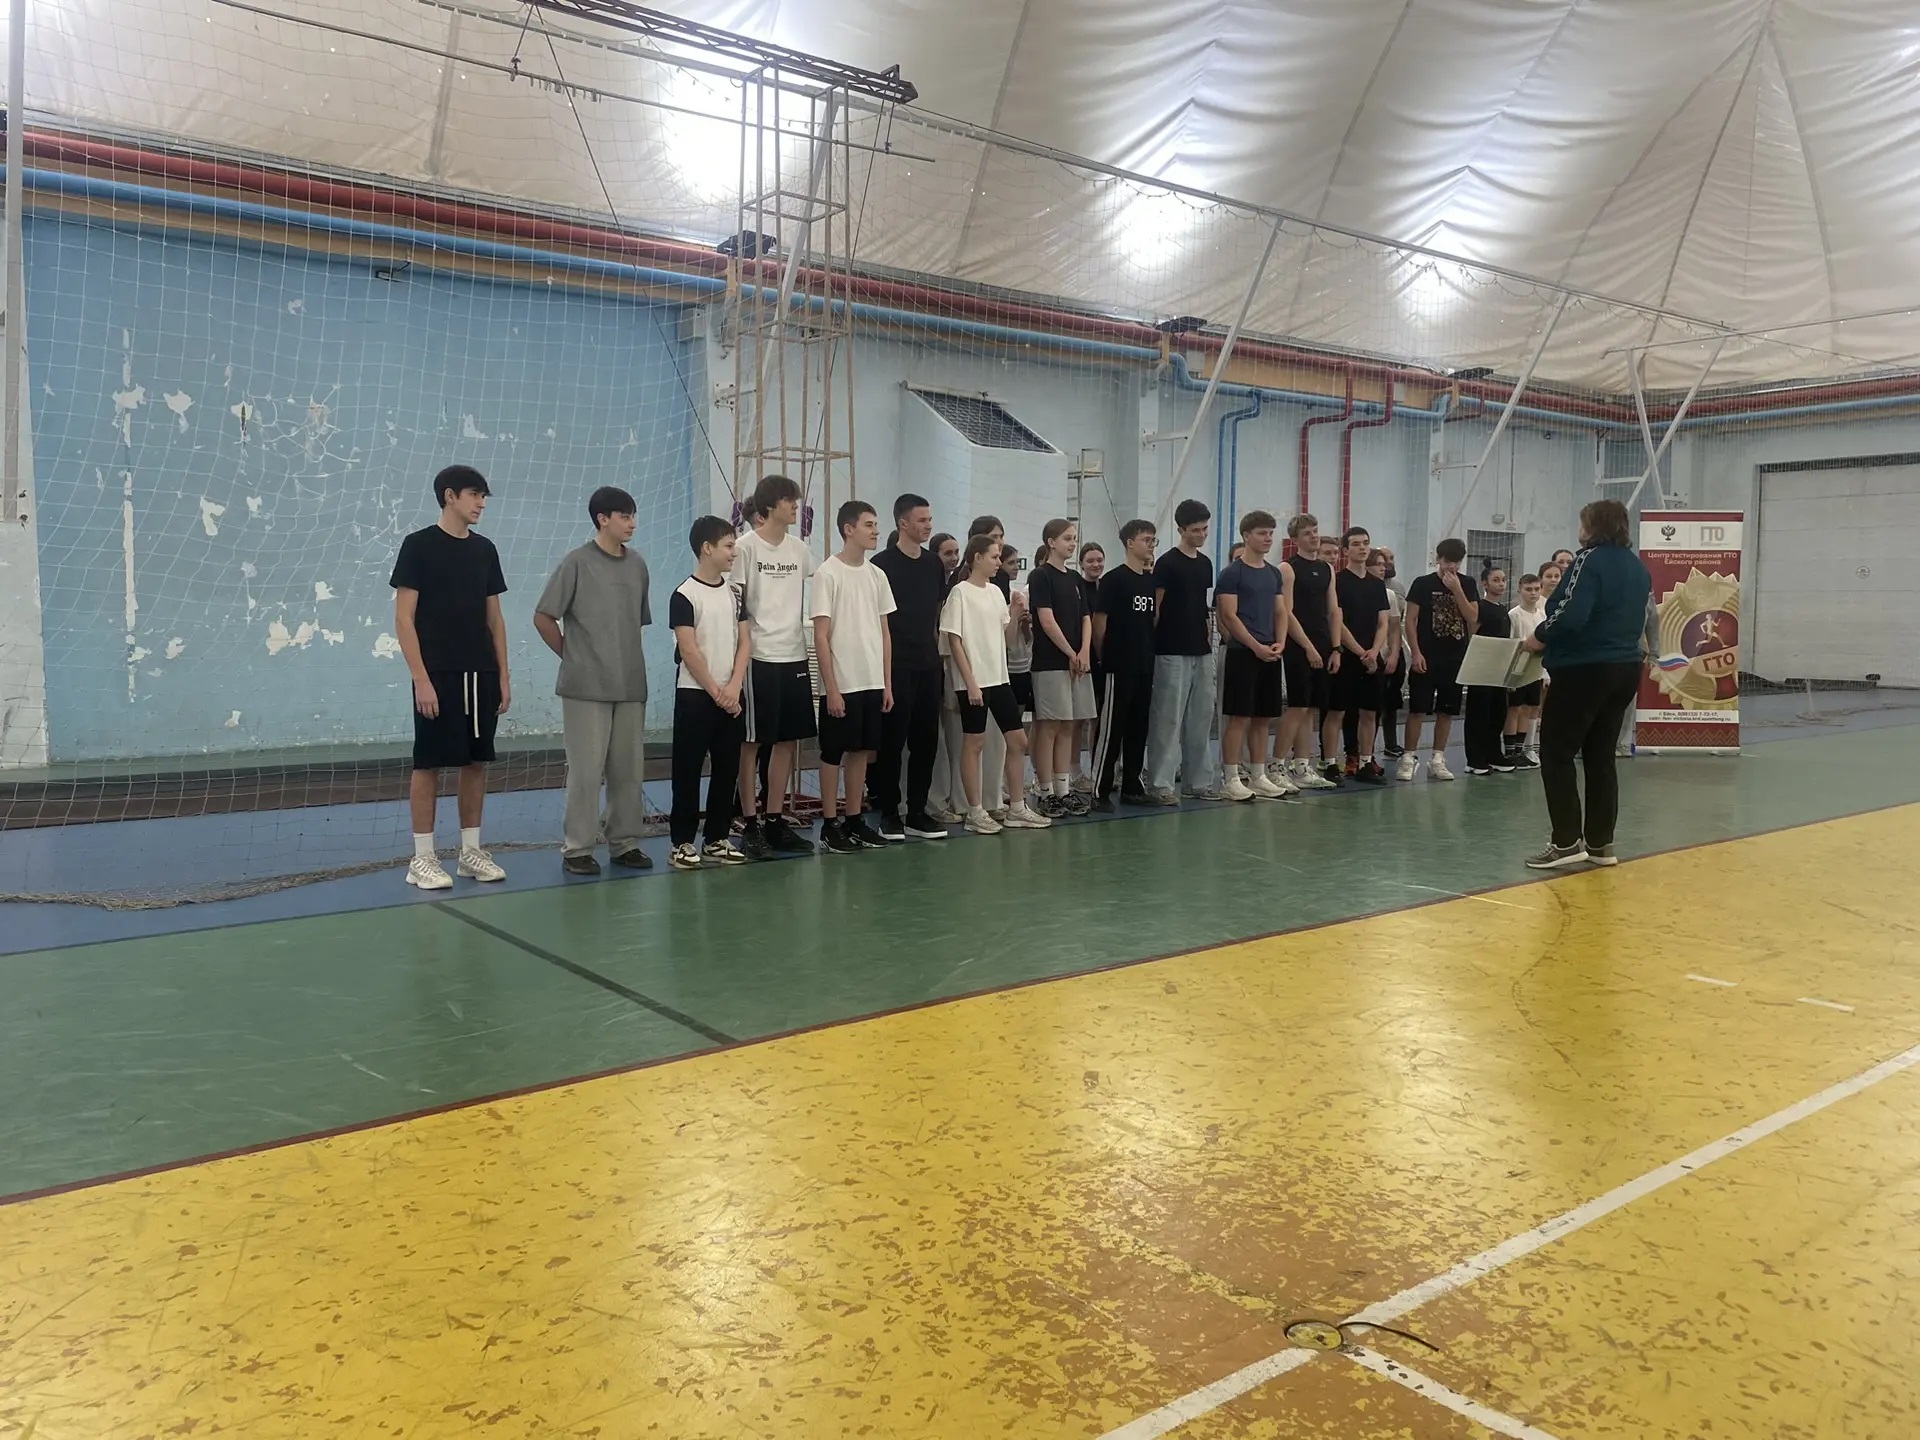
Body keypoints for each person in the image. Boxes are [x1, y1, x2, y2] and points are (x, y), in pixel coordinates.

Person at [391, 464, 510, 889]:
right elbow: (404, 619)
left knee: (476, 761)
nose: (481, 503)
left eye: (483, 496)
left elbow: (495, 619)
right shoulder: (418, 546)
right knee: (429, 763)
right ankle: (422, 859)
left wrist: (503, 675)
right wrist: (421, 679)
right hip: (437, 674)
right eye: (474, 494)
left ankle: (470, 853)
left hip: (481, 672)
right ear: (449, 496)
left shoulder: (485, 550)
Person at [1522, 500, 1652, 869]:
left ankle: (1565, 842)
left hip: (1584, 668)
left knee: (1556, 752)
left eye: (1583, 522)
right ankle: (1600, 843)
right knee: (1600, 756)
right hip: (1625, 668)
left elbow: (1571, 613)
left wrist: (1540, 635)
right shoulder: (1638, 567)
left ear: (1594, 526)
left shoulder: (1588, 559)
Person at [533, 485, 654, 876]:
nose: (632, 523)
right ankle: (578, 849)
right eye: (624, 516)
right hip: (585, 688)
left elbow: (633, 623)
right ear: (603, 519)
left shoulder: (638, 565)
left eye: (633, 516)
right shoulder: (576, 562)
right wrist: (573, 657)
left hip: (630, 685)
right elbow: (543, 617)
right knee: (586, 772)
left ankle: (624, 843)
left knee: (627, 771)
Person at [941, 534, 1053, 834]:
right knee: (974, 742)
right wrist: (970, 682)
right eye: (993, 556)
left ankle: (1017, 808)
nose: (998, 562)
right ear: (977, 557)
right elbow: (954, 641)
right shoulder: (960, 593)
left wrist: (1015, 616)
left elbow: (1008, 640)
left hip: (999, 678)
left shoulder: (994, 593)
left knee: (1017, 741)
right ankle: (975, 812)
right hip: (973, 682)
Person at [732, 475, 817, 858]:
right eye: (788, 500)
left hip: (794, 655)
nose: (795, 506)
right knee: (751, 742)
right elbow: (734, 602)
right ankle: (749, 824)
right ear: (769, 506)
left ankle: (774, 820)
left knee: (786, 742)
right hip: (758, 657)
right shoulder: (745, 548)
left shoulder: (800, 550)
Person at [811, 500, 896, 855]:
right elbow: (821, 636)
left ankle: (854, 818)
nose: (876, 531)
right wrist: (831, 688)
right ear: (848, 529)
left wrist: (886, 683)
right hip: (842, 683)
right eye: (869, 525)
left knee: (862, 752)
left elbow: (884, 632)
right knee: (833, 753)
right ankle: (830, 824)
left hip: (871, 681)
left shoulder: (877, 575)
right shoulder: (827, 573)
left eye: (876, 525)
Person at [667, 516, 751, 869]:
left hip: (731, 696)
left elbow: (745, 642)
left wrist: (734, 686)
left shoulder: (735, 594)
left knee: (727, 768)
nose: (734, 552)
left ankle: (717, 837)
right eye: (728, 546)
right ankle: (682, 843)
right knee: (687, 769)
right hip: (695, 695)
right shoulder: (684, 595)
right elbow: (689, 650)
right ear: (707, 548)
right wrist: (717, 692)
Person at [870, 493, 948, 842]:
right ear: (903, 523)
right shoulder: (881, 565)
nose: (928, 525)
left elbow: (935, 613)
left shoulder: (933, 564)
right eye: (922, 520)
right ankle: (889, 812)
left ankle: (917, 811)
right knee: (892, 742)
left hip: (928, 664)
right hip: (895, 665)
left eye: (930, 519)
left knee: (926, 741)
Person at [1146, 500, 1223, 803]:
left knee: (1201, 718)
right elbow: (1156, 607)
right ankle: (1160, 784)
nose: (1201, 534)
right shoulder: (1167, 563)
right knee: (1168, 719)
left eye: (1204, 529)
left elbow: (1201, 606)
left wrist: (1207, 637)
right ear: (1181, 530)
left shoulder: (1205, 564)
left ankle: (1198, 781)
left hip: (1200, 650)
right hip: (1170, 650)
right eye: (1195, 530)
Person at [1214, 510, 1290, 801]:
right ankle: (1231, 777)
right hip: (1243, 653)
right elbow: (1229, 616)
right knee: (1240, 717)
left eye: (1270, 533)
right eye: (1261, 533)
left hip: (1270, 652)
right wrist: (1255, 646)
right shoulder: (1232, 573)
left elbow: (1280, 611)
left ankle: (1259, 774)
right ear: (1246, 536)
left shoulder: (1273, 573)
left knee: (1262, 717)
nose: (1268, 538)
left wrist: (1280, 642)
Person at [1028, 519, 1095, 817]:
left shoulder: (1076, 579)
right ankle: (1045, 792)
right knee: (1050, 726)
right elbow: (1046, 620)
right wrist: (1070, 652)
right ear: (1051, 542)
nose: (1072, 543)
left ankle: (1063, 789)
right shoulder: (1041, 576)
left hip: (1077, 663)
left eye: (1074, 538)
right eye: (1067, 538)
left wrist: (1084, 652)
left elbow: (1085, 618)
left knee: (1069, 724)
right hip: (1051, 663)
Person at [1399, 537, 1480, 782]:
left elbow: (1473, 618)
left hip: (1454, 658)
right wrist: (1416, 652)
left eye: (1456, 562)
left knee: (1446, 711)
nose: (1451, 567)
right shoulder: (1422, 584)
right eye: (1447, 562)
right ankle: (1409, 757)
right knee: (1417, 709)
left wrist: (1457, 590)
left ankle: (1437, 758)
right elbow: (1410, 620)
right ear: (1438, 559)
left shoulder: (1467, 583)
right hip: (1426, 656)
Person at [1092, 519, 1157, 809]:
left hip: (1144, 664)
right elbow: (1100, 624)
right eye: (1146, 539)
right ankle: (1100, 791)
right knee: (1112, 729)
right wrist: (1104, 656)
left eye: (1153, 540)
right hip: (1118, 665)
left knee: (1138, 727)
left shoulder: (1149, 580)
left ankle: (1132, 785)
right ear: (1130, 543)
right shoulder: (1114, 580)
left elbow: (1150, 622)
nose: (1151, 545)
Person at [1278, 513, 1342, 790]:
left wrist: (1336, 648)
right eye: (1307, 533)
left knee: (1310, 709)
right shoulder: (1287, 568)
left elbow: (1333, 611)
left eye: (1315, 531)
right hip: (1298, 644)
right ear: (1295, 539)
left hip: (1323, 643)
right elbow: (1286, 612)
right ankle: (1277, 765)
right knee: (1297, 706)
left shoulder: (1326, 569)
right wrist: (1307, 646)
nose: (1314, 536)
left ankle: (1302, 766)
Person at [1333, 526, 1390, 784]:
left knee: (1370, 712)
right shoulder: (1338, 581)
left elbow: (1383, 623)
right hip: (1347, 656)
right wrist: (1359, 652)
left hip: (1371, 657)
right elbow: (1338, 621)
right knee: (1339, 711)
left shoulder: (1377, 585)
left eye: (1365, 543)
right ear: (1346, 550)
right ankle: (1333, 762)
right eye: (1356, 544)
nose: (1362, 548)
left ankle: (1367, 762)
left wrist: (1374, 652)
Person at [1462, 566, 1514, 776]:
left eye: (1503, 580)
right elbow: (1472, 634)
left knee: (1498, 712)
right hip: (1481, 668)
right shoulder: (1481, 607)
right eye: (1496, 580)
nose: (1501, 584)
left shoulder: (1503, 609)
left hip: (1499, 669)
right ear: (1485, 583)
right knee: (1479, 713)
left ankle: (1493, 753)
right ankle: (1475, 758)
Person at [1074, 541, 1107, 792]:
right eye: (1091, 561)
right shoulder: (1078, 588)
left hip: (1105, 661)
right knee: (1079, 718)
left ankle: (1100, 768)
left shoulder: (1107, 587)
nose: (1096, 564)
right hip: (1084, 660)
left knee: (1101, 717)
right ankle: (1073, 770)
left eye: (1099, 560)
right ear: (1082, 564)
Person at [1505, 573, 1547, 768]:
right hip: (1517, 668)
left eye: (1536, 589)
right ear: (1519, 590)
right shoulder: (1514, 615)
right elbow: (1510, 642)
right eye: (1528, 589)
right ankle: (1509, 751)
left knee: (1529, 708)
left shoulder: (1542, 615)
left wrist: (1545, 673)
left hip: (1535, 669)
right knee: (1515, 708)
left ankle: (1520, 750)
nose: (1533, 593)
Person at [1377, 546, 1408, 758]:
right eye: (1383, 560)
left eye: (1391, 558)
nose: (1388, 563)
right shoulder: (1369, 588)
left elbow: (1398, 622)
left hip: (1395, 648)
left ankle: (1391, 743)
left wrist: (1395, 651)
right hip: (1375, 649)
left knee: (1392, 700)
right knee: (1371, 703)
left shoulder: (1397, 588)